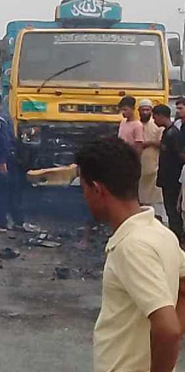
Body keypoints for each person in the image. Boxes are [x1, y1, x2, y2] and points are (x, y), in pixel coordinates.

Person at [75, 137, 185, 372]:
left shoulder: (132, 246)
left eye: (83, 188)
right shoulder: (159, 232)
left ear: (97, 189)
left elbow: (168, 329)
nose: (83, 197)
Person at [0, 91, 24, 232]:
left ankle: (2, 223)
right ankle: (18, 221)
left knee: (1, 192)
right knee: (14, 190)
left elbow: (4, 141)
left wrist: (2, 161)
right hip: (12, 157)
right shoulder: (7, 116)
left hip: (4, 159)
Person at [152, 105, 185, 241]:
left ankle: (177, 237)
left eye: (155, 116)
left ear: (160, 116)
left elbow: (181, 156)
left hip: (173, 179)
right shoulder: (167, 132)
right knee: (170, 209)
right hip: (168, 178)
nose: (154, 120)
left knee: (173, 210)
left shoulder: (173, 134)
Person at [138, 99, 163, 207]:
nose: (145, 112)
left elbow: (162, 143)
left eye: (147, 110)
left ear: (151, 111)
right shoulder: (136, 124)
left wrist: (149, 143)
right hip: (138, 164)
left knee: (153, 197)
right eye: (142, 110)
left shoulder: (156, 125)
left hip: (152, 165)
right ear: (138, 110)